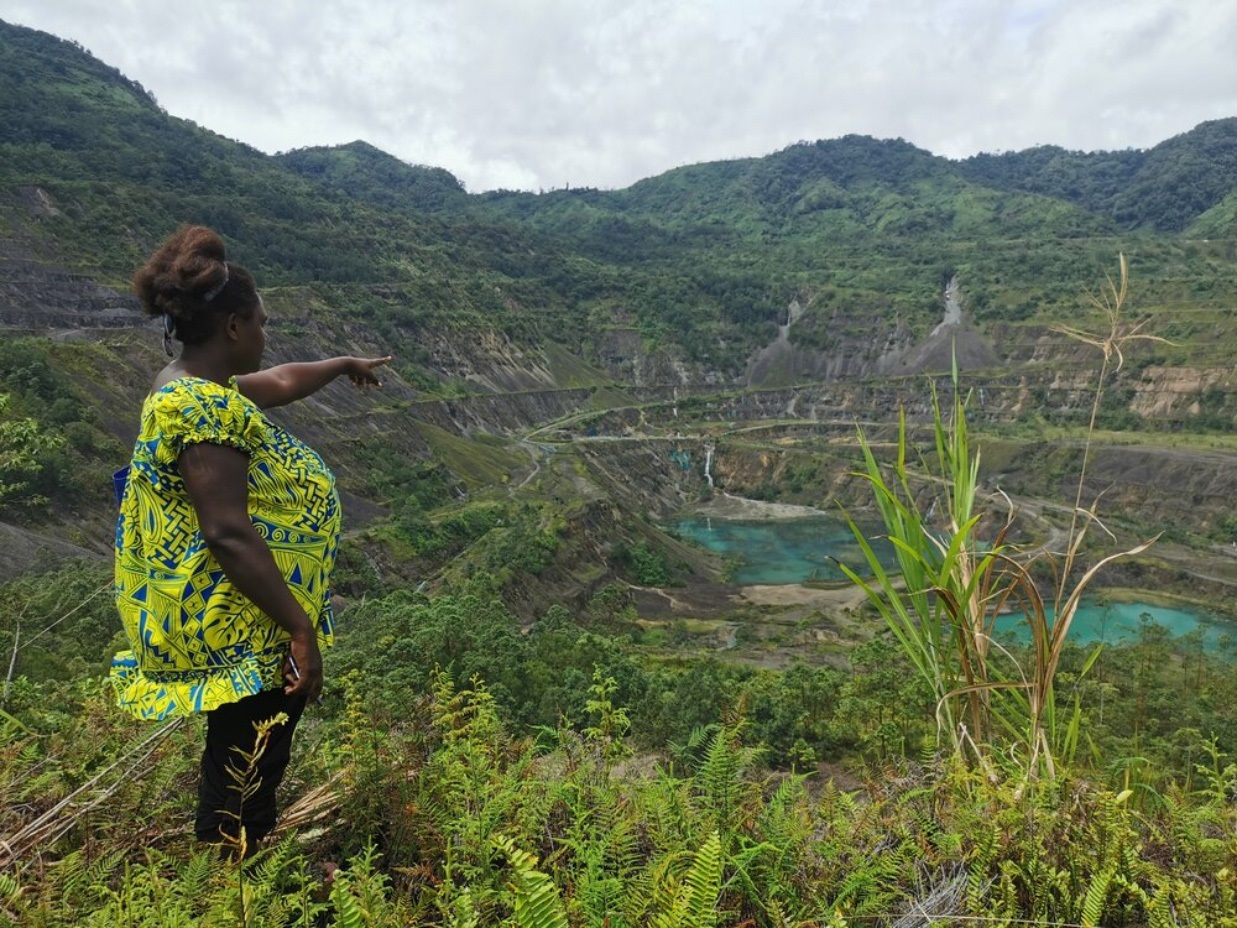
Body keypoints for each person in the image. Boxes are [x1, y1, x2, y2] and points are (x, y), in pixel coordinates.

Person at [110, 224, 391, 853]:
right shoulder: (201, 409)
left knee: (252, 750)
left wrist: (343, 365)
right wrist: (300, 629)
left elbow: (284, 381)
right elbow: (227, 532)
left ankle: (241, 863)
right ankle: (229, 872)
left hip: (244, 612)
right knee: (247, 760)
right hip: (239, 619)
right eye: (262, 323)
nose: (266, 335)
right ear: (234, 326)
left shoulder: (195, 387)